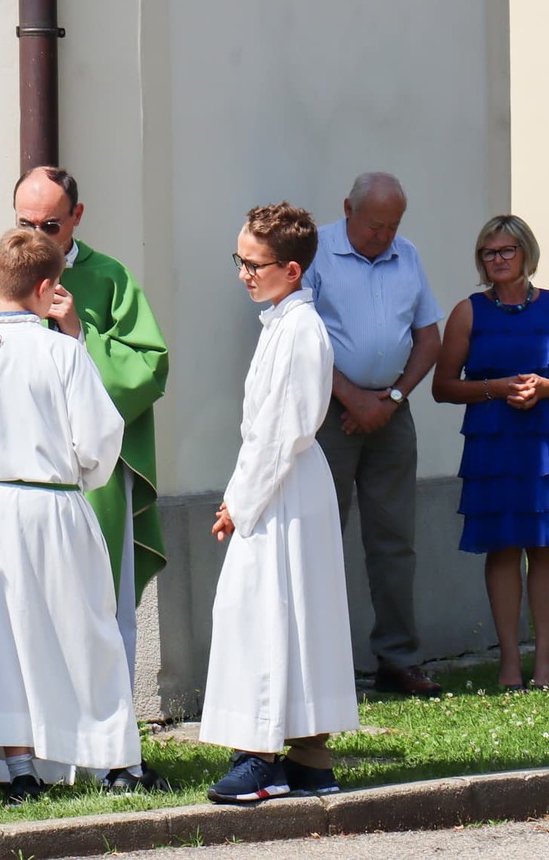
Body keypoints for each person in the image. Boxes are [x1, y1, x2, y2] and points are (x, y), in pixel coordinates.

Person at [0, 166, 170, 790]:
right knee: (84, 635)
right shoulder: (62, 352)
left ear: (75, 217)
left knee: (0, 640)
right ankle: (110, 762)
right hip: (56, 503)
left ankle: (21, 766)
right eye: (26, 222)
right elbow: (99, 441)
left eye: (49, 222)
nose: (37, 231)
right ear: (43, 284)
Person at [202, 203, 359, 804]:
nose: (243, 273)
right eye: (239, 260)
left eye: (255, 264)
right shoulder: (280, 323)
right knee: (290, 613)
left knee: (266, 611)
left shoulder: (299, 330)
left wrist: (239, 501)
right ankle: (309, 757)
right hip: (282, 481)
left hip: (283, 484)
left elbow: (280, 431)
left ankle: (259, 757)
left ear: (292, 270)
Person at [432, 215, 549, 691]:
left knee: (545, 545)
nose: (498, 260)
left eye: (506, 250)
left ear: (527, 254)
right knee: (502, 548)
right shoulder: (468, 312)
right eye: (489, 252)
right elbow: (443, 386)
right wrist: (497, 388)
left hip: (547, 441)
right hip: (493, 441)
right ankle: (508, 662)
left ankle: (544, 662)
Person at [307, 172, 444, 696]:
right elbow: (302, 337)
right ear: (348, 209)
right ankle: (321, 664)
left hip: (391, 413)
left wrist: (392, 399)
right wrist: (352, 398)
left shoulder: (407, 256)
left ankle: (398, 659)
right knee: (321, 536)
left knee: (394, 540)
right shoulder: (316, 252)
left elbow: (428, 337)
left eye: (392, 226)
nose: (384, 236)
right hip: (329, 413)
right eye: (374, 226)